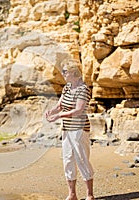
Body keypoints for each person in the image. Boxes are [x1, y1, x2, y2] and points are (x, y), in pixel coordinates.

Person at [45, 59, 94, 200]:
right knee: (67, 159)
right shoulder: (67, 87)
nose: (63, 74)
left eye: (65, 72)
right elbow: (60, 105)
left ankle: (89, 195)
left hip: (79, 128)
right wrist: (52, 111)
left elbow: (78, 110)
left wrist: (59, 115)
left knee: (82, 159)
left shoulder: (83, 89)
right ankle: (72, 194)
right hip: (67, 127)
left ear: (73, 73)